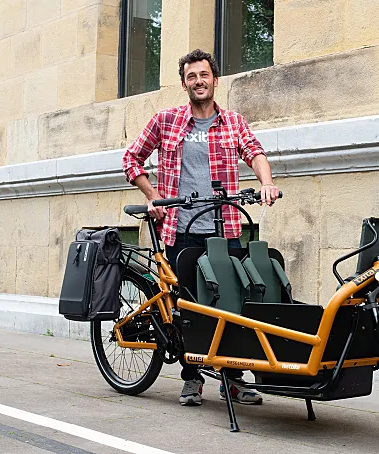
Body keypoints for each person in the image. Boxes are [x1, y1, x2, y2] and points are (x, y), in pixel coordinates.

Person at [122, 49, 280, 406]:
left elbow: (255, 153)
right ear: (183, 84)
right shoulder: (166, 120)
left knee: (233, 303)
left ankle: (233, 379)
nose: (198, 82)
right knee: (190, 307)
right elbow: (131, 158)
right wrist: (154, 194)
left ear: (215, 80)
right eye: (191, 77)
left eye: (204, 75)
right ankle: (192, 378)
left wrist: (266, 182)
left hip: (224, 227)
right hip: (180, 227)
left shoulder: (233, 123)